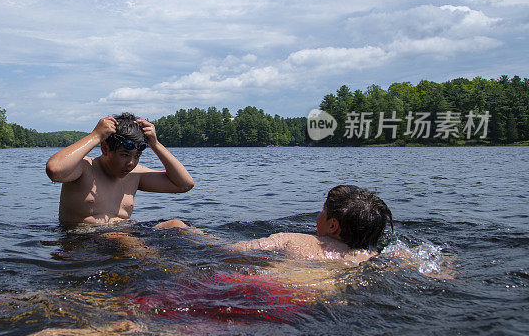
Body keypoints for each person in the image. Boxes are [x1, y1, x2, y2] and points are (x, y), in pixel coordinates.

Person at [45, 113, 195, 226]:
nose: (131, 163)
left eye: (137, 156)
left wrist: (155, 145)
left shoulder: (135, 175)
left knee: (177, 225)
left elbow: (184, 184)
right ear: (105, 148)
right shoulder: (84, 168)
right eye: (124, 154)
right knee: (123, 239)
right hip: (86, 242)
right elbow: (55, 170)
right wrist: (95, 136)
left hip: (124, 235)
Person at [225, 184, 393, 264]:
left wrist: (199, 236)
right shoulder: (378, 258)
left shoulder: (291, 240)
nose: (318, 216)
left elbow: (230, 251)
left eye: (323, 210)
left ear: (333, 225)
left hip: (283, 293)